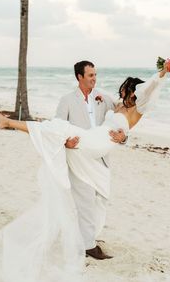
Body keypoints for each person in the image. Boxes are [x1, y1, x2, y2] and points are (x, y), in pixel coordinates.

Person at [0, 64, 167, 282]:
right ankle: (8, 122)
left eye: (124, 88)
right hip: (87, 142)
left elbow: (150, 87)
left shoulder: (137, 108)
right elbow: (92, 103)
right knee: (61, 130)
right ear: (80, 77)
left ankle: (8, 122)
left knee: (64, 136)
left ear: (132, 90)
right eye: (91, 75)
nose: (120, 91)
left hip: (99, 145)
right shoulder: (112, 103)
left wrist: (164, 71)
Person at [56, 60, 127, 260]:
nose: (94, 79)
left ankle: (87, 236)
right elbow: (57, 126)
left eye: (95, 75)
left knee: (100, 199)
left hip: (101, 158)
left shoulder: (103, 98)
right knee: (85, 201)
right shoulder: (67, 100)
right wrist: (66, 143)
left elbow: (122, 117)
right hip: (78, 157)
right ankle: (88, 246)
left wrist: (123, 137)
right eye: (90, 75)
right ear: (79, 77)